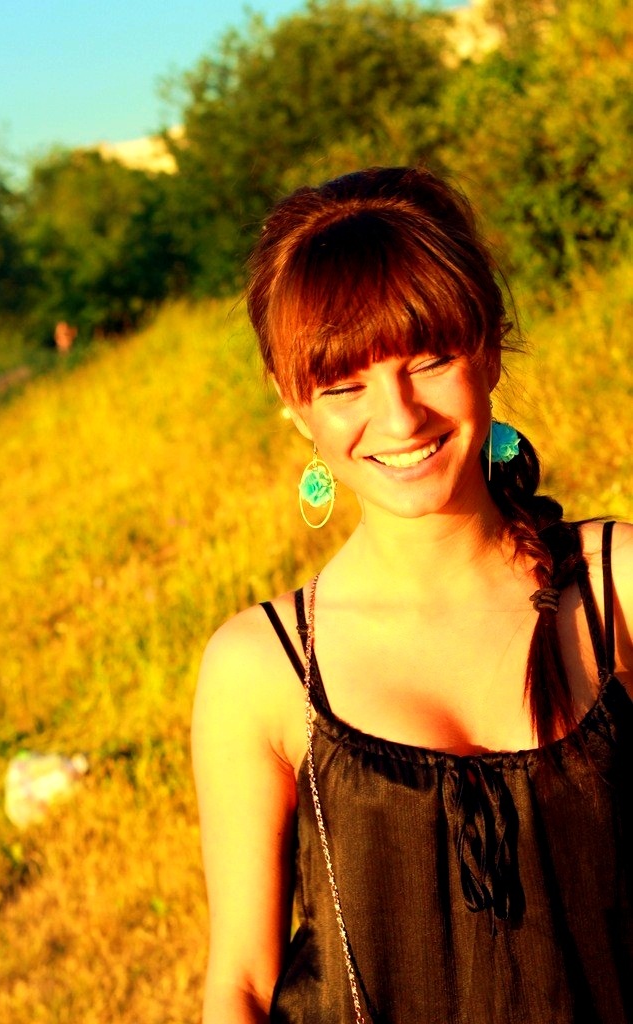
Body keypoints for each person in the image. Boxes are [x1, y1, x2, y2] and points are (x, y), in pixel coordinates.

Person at [192, 167, 633, 1024]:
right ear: (293, 405)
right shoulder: (264, 667)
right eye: (344, 385)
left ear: (490, 348)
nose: (399, 420)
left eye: (428, 360)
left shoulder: (615, 584)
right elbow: (241, 980)